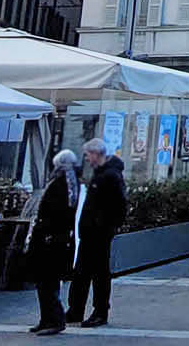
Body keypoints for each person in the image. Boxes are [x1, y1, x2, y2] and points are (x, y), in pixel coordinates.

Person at [13, 148, 79, 334]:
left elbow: (56, 213)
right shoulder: (70, 183)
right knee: (46, 282)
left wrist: (45, 230)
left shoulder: (61, 184)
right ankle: (46, 319)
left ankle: (54, 320)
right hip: (55, 239)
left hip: (50, 240)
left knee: (47, 281)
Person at [69, 136, 129, 328]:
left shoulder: (110, 176)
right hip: (89, 233)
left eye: (87, 155)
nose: (86, 159)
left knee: (99, 273)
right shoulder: (100, 173)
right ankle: (75, 309)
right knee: (81, 273)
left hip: (99, 234)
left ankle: (100, 311)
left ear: (96, 154)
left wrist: (107, 227)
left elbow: (120, 205)